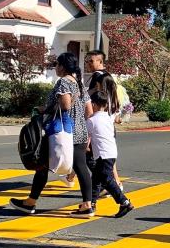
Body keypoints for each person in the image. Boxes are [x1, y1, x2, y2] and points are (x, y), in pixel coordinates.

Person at [10, 52, 94, 216]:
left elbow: (65, 106)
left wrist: (44, 109)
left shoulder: (63, 82)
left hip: (61, 133)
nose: (55, 67)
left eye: (57, 64)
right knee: (81, 167)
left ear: (62, 66)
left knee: (42, 166)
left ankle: (30, 202)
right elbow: (89, 111)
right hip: (80, 132)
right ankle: (87, 205)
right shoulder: (80, 84)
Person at [86, 87, 134, 218]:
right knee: (95, 179)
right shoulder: (108, 117)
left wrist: (85, 148)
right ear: (106, 104)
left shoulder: (91, 121)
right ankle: (91, 204)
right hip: (111, 152)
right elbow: (117, 119)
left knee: (107, 180)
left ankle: (124, 202)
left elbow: (86, 139)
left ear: (93, 104)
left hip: (102, 154)